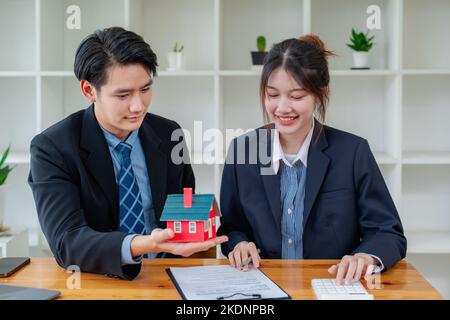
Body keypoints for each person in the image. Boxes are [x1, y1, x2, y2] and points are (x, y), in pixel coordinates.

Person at [28, 27, 227, 280]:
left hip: (165, 275)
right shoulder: (52, 147)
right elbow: (67, 241)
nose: (138, 106)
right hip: (97, 278)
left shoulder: (168, 133)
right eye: (123, 95)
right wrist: (142, 245)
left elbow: (184, 205)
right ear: (89, 91)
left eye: (145, 90)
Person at [218, 35, 406, 285]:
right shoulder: (243, 150)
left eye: (296, 96)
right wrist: (239, 243)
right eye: (272, 95)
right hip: (263, 287)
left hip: (333, 286)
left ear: (320, 93)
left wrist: (365, 257)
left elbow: (387, 232)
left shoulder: (353, 152)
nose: (282, 108)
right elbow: (231, 227)